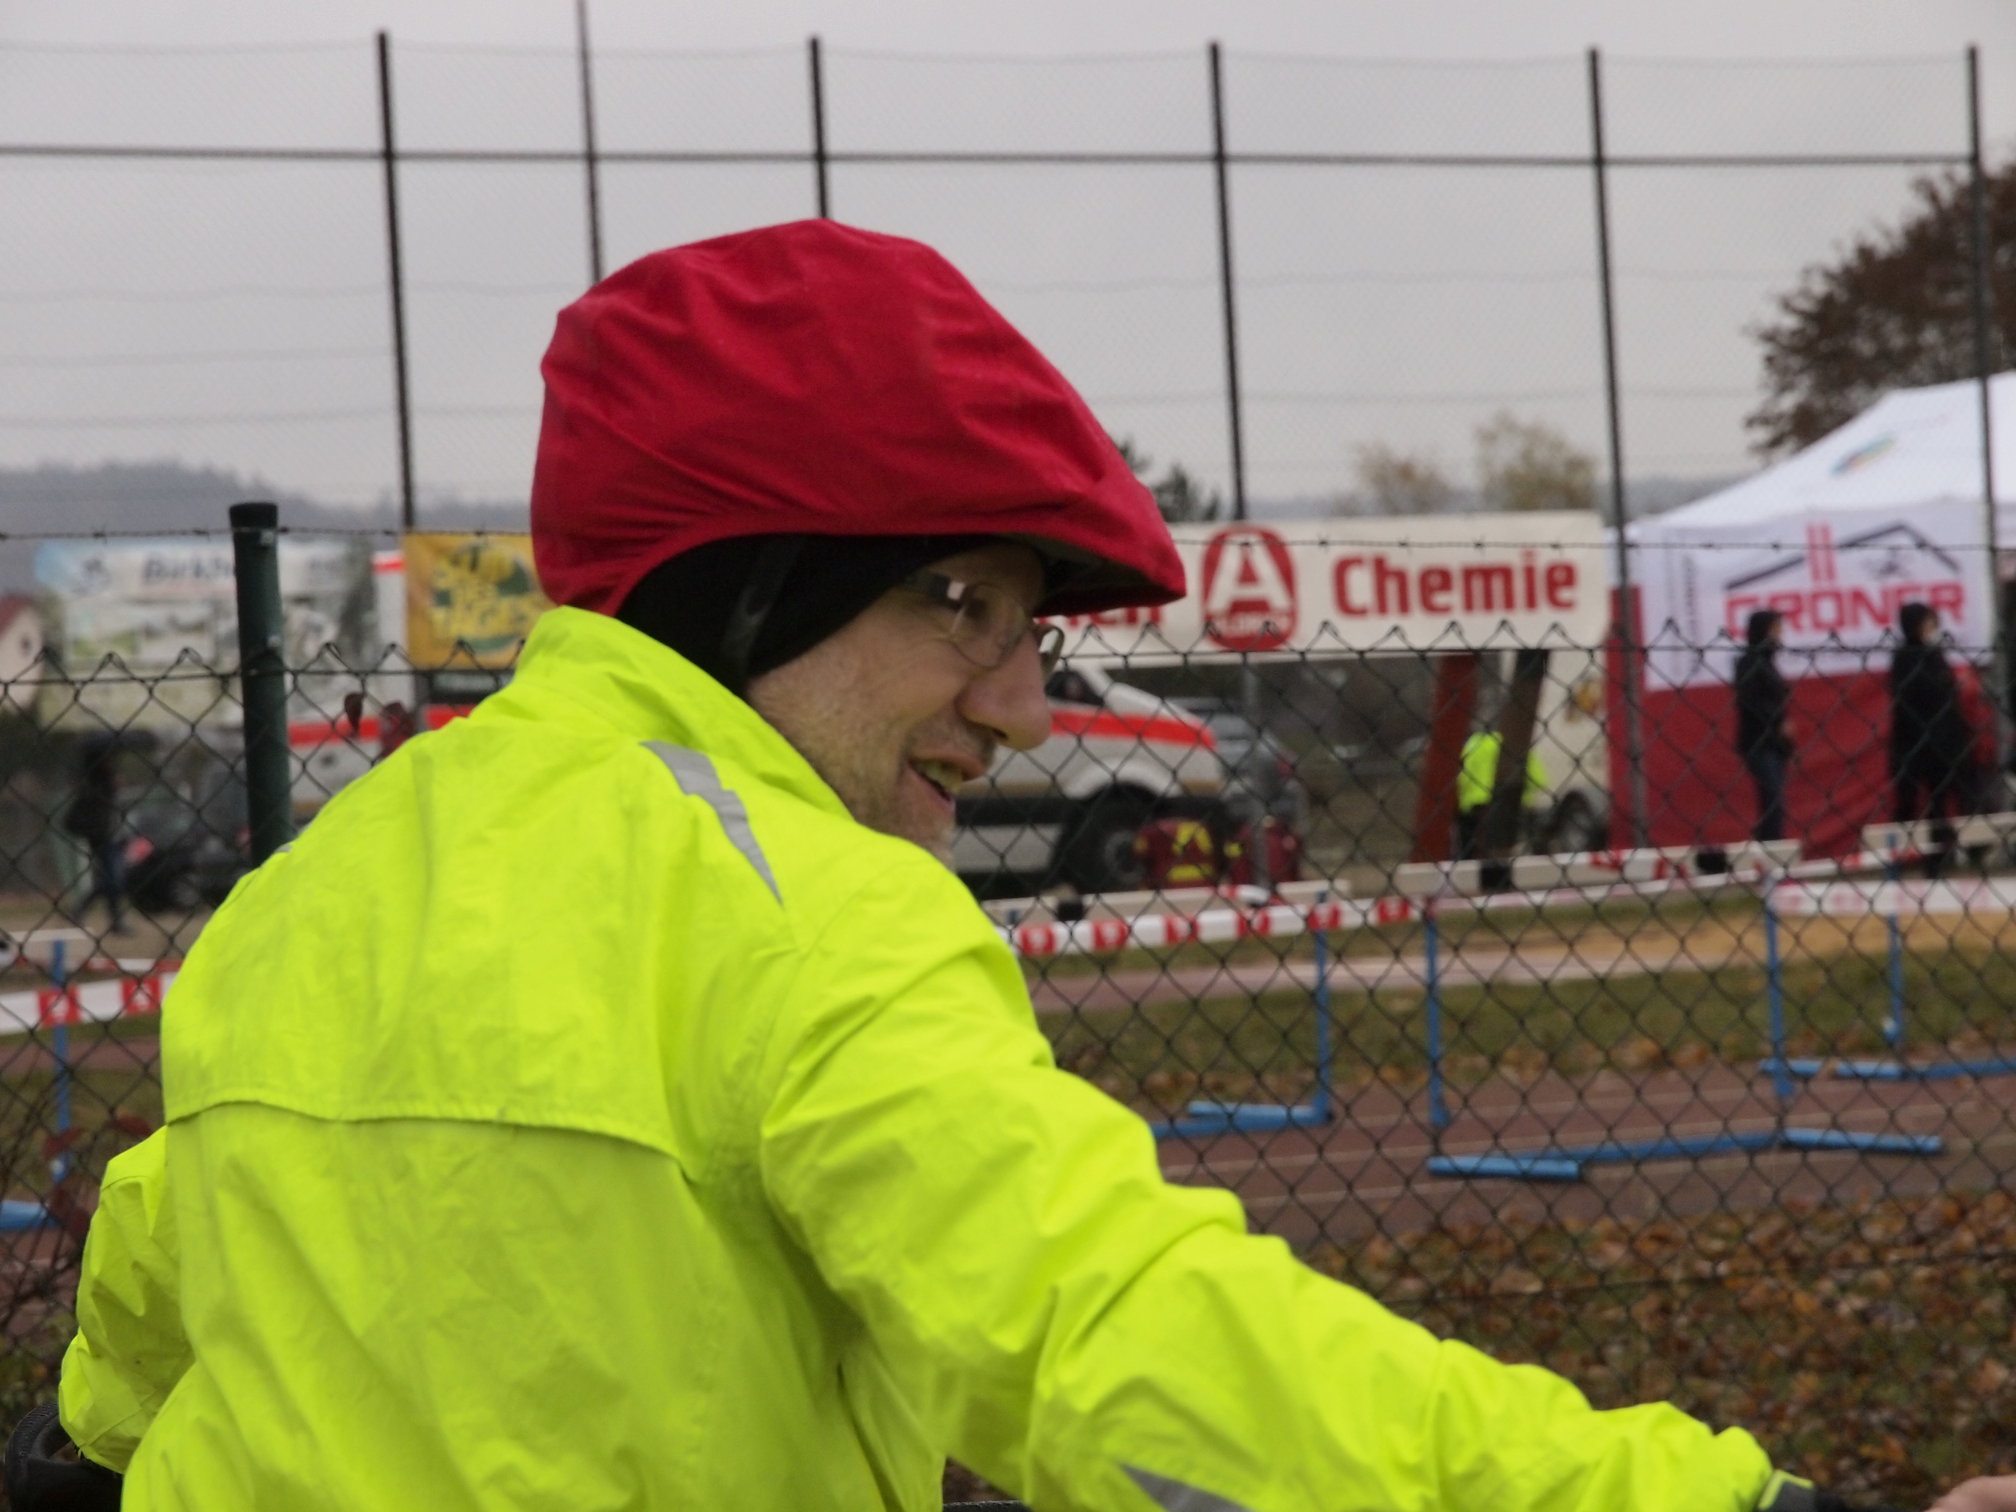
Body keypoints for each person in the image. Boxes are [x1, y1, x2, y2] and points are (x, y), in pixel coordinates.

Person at [37, 222, 1920, 1512]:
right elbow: (1124, 1350)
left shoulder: (323, 884)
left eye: (1031, 627)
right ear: (750, 591)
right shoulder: (807, 914)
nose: (1021, 702)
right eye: (961, 604)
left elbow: (155, 1294)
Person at [1889, 601, 1976, 830]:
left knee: (1944, 797)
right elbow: (1913, 696)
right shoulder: (1905, 657)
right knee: (1908, 800)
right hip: (1914, 741)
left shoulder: (1934, 654)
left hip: (1945, 741)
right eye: (1927, 623)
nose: (1932, 628)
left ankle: (1945, 845)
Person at [1733, 607, 1794, 843]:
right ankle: (1769, 847)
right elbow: (1750, 700)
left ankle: (1771, 846)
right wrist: (1777, 721)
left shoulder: (1768, 662)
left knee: (1773, 799)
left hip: (1774, 743)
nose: (1780, 634)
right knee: (1772, 797)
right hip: (1758, 740)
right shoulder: (1748, 662)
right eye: (1776, 629)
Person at [61, 743, 126, 935]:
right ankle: (88, 911)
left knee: (109, 878)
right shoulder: (97, 781)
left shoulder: (101, 780)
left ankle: (88, 912)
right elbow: (98, 809)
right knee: (112, 878)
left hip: (110, 834)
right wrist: (112, 784)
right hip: (102, 836)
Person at [1455, 724, 1548, 859]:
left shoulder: (1474, 744)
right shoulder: (1514, 743)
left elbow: (1462, 778)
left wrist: (1463, 802)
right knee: (1510, 843)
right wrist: (1525, 796)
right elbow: (1538, 778)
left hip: (1479, 805)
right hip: (1513, 802)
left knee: (1476, 846)